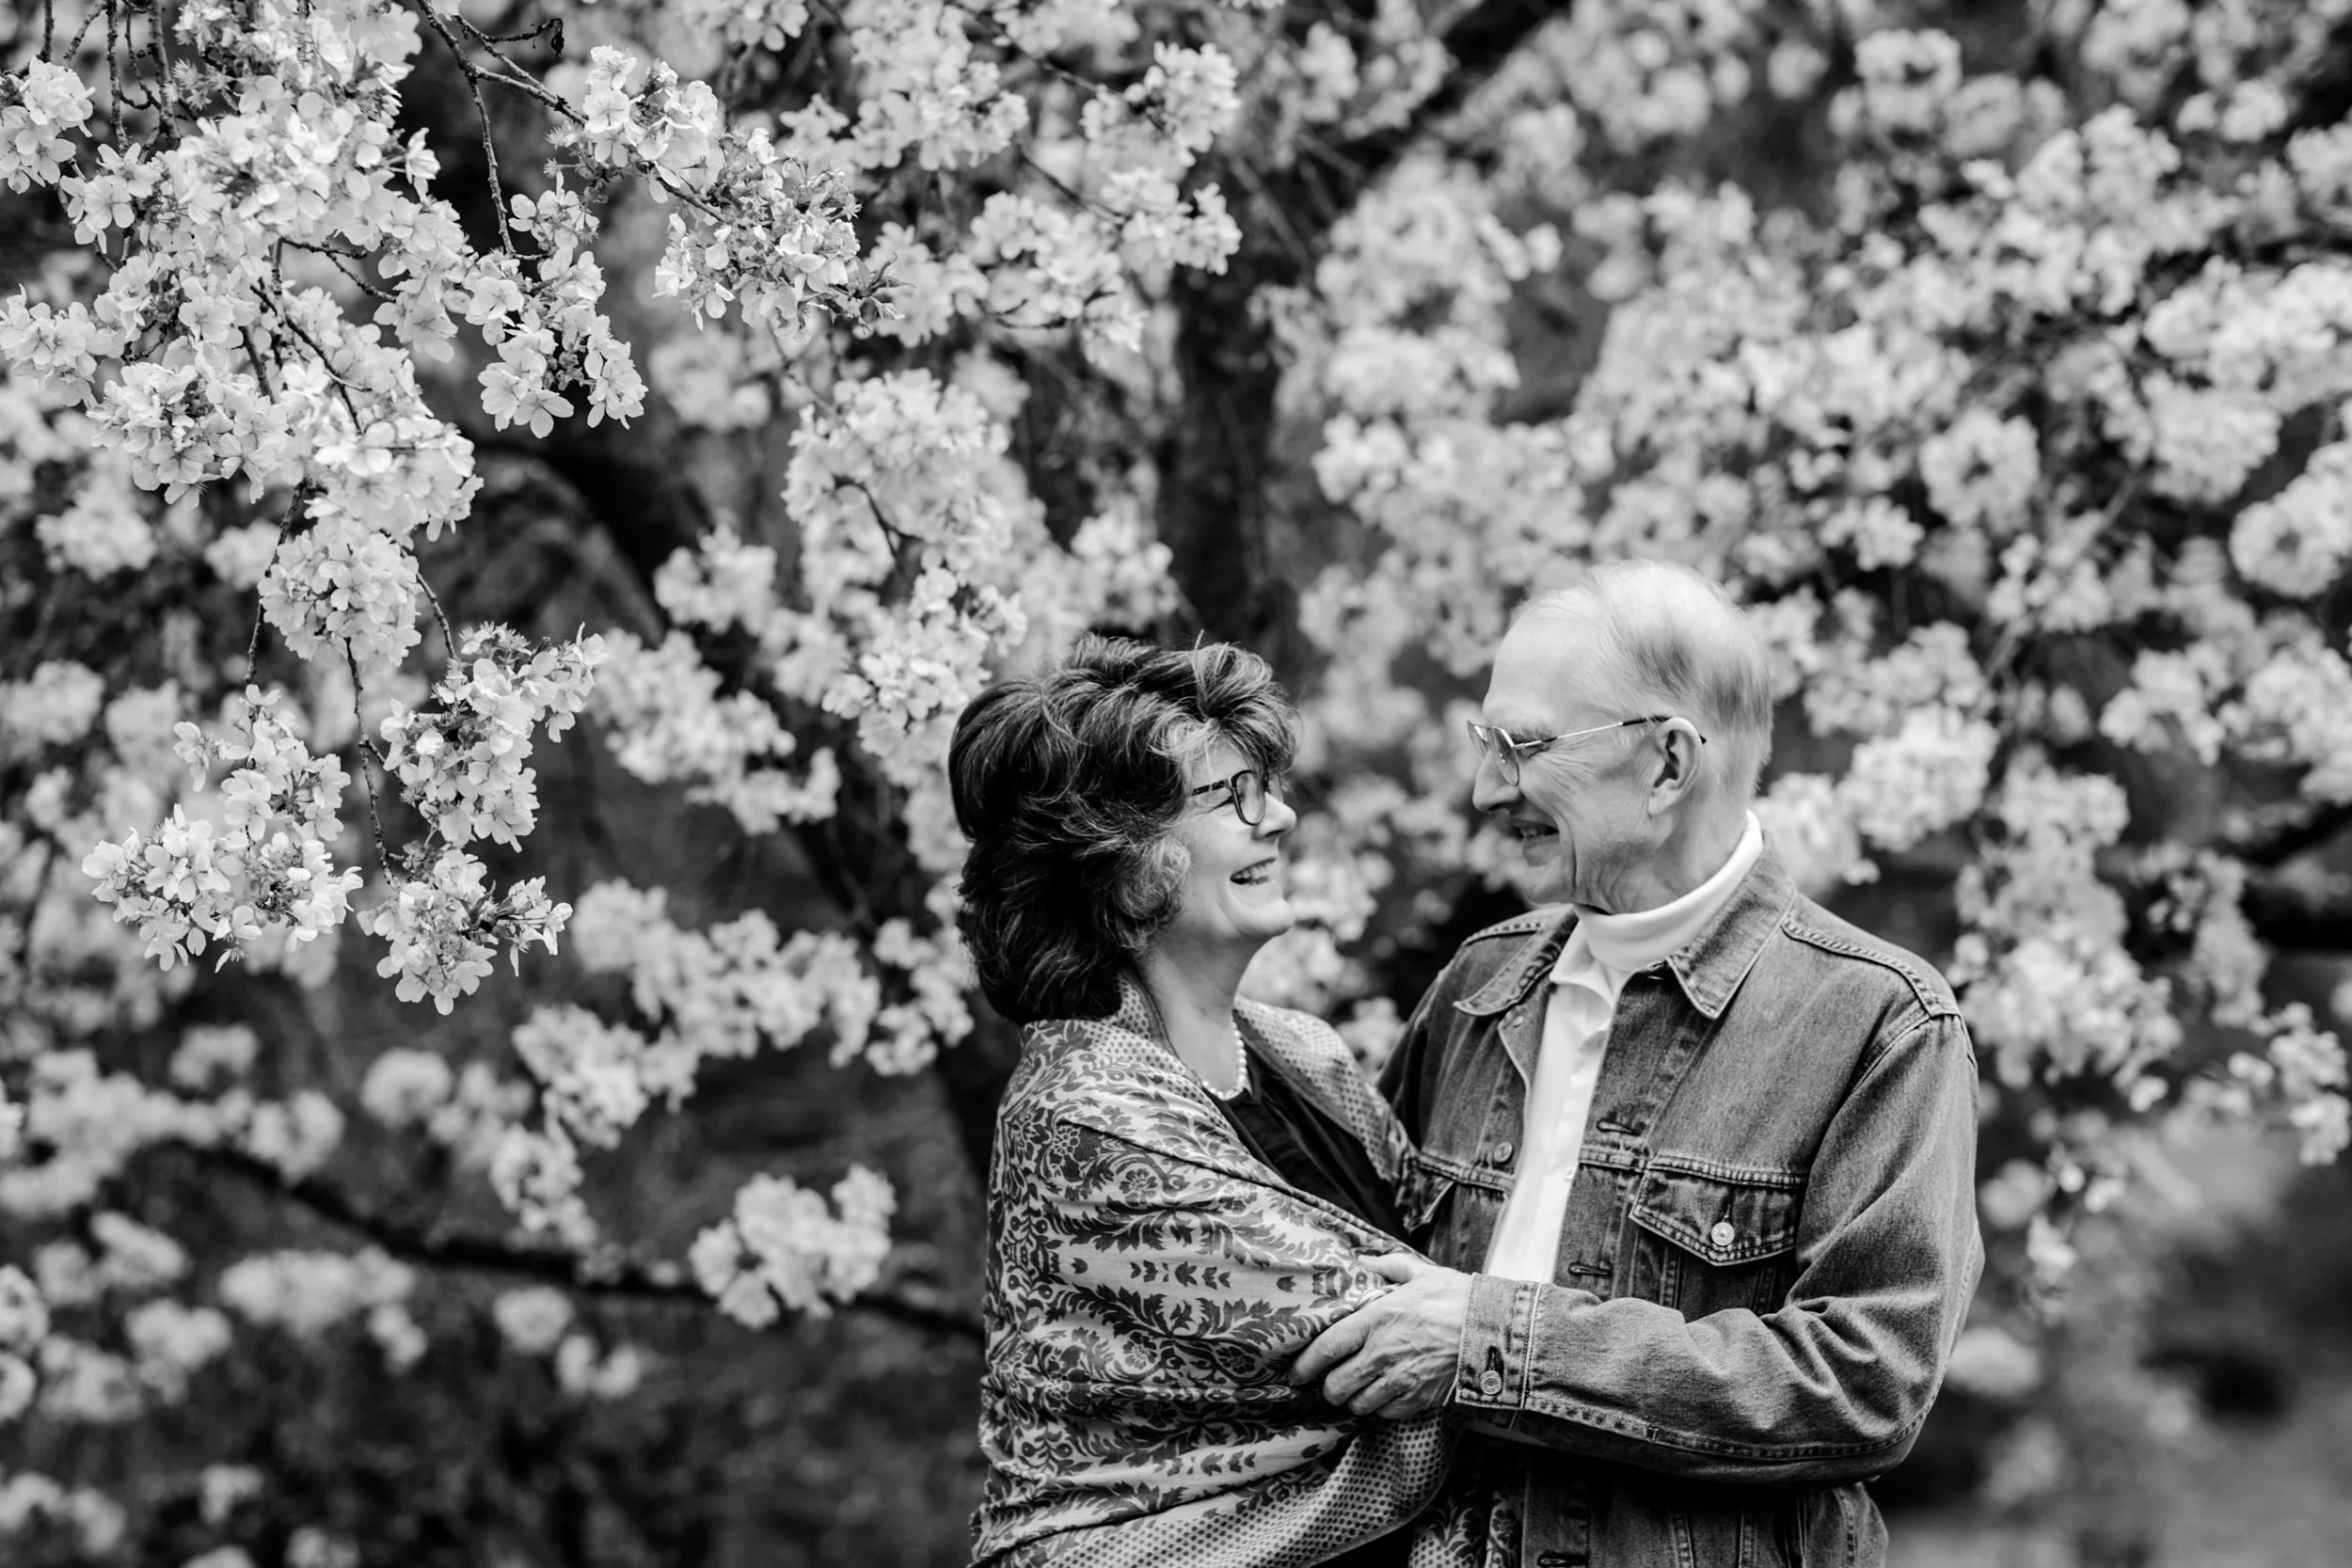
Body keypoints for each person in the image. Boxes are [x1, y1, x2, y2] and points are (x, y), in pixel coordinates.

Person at [1291, 559, 1984, 1568]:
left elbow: (1866, 1384)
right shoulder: (1476, 985)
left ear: (1666, 764)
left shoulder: (1882, 1021)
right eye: (1485, 742)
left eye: (1523, 746)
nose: (1487, 790)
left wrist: (1498, 1344)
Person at [954, 635, 1460, 1568]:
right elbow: (1409, 1342)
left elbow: (1457, 1260)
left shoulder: (1305, 1054)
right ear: (1124, 858)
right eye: (1234, 797)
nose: (1280, 817)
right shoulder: (1084, 1111)